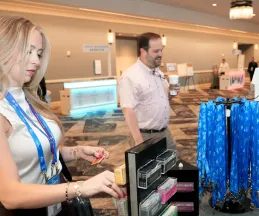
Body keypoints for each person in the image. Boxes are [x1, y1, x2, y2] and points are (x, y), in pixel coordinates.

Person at [0, 16, 125, 215]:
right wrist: (80, 188)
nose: (36, 61)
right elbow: (9, 195)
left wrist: (76, 151)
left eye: (39, 53)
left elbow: (31, 150)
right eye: (28, 51)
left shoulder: (28, 98)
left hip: (54, 202)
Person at [118, 32, 177, 150]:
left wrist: (171, 94)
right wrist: (139, 141)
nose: (160, 54)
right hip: (145, 136)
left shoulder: (158, 73)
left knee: (172, 166)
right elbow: (128, 110)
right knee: (149, 168)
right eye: (156, 51)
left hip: (165, 132)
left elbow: (162, 99)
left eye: (161, 50)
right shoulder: (130, 77)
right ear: (143, 51)